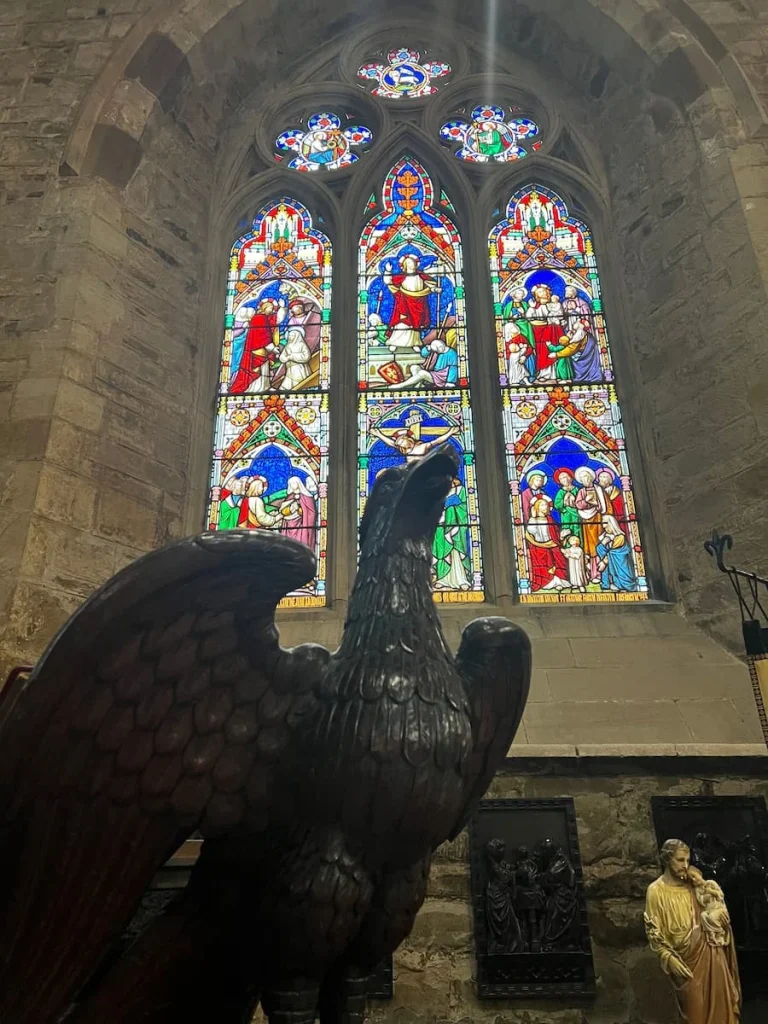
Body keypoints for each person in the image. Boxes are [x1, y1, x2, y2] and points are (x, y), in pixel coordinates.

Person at [645, 839, 741, 1024]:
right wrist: (668, 957)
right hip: (685, 961)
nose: (685, 865)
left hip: (712, 954)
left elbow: (714, 908)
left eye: (687, 860)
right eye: (680, 860)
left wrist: (719, 919)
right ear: (667, 859)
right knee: (694, 1014)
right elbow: (653, 930)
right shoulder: (656, 891)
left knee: (722, 1008)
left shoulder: (693, 886)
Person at [522, 471, 569, 593]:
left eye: (545, 506)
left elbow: (555, 533)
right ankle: (547, 582)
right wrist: (532, 517)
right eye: (538, 479)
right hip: (539, 545)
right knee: (543, 555)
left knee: (557, 555)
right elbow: (531, 530)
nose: (545, 507)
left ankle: (559, 580)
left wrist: (561, 537)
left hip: (551, 544)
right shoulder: (526, 494)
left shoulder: (549, 518)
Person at [383, 254, 440, 351]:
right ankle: (394, 342)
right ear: (404, 265)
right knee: (402, 323)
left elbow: (429, 285)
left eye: (412, 262)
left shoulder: (421, 275)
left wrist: (435, 289)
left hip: (419, 302)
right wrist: (388, 271)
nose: (411, 264)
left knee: (416, 324)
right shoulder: (401, 277)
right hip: (404, 302)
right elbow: (389, 282)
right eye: (408, 262)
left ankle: (415, 343)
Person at [230, 297, 286, 394]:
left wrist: (282, 308)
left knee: (264, 368)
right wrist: (272, 348)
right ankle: (255, 389)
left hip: (261, 349)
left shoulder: (263, 318)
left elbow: (276, 321)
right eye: (270, 308)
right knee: (258, 369)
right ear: (264, 307)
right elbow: (262, 335)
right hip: (257, 348)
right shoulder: (259, 318)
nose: (271, 310)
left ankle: (265, 386)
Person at [433, 476, 471, 591]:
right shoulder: (436, 493)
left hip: (456, 529)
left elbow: (465, 507)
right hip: (441, 526)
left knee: (456, 552)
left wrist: (452, 508)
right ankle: (443, 578)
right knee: (442, 552)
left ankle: (461, 579)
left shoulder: (460, 490)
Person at [485, 838, 522, 954]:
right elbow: (505, 876)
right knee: (503, 922)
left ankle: (512, 945)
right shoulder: (493, 865)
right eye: (501, 850)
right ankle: (503, 944)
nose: (504, 852)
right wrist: (516, 874)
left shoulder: (501, 863)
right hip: (496, 897)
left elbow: (508, 868)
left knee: (512, 924)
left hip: (504, 897)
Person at [525, 284, 567, 382]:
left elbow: (560, 315)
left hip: (554, 330)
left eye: (544, 291)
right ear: (536, 295)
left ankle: (556, 374)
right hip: (539, 331)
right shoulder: (534, 307)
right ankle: (544, 373)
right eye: (539, 291)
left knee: (554, 348)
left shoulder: (554, 304)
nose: (542, 293)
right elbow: (529, 318)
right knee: (543, 351)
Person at [574, 466, 608, 583]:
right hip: (586, 522)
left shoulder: (599, 489)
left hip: (598, 520)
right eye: (582, 478)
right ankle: (593, 574)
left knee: (600, 545)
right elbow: (578, 504)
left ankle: (602, 574)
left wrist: (595, 503)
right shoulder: (581, 491)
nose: (585, 480)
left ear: (591, 477)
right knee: (590, 548)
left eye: (586, 477)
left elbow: (605, 505)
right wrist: (587, 502)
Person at [563, 285, 602, 383]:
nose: (565, 293)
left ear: (572, 293)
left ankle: (591, 377)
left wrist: (578, 315)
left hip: (581, 333)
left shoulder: (583, 304)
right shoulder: (564, 303)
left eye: (567, 291)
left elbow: (587, 319)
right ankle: (571, 376)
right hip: (569, 331)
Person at [370, 423, 459, 464]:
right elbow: (391, 443)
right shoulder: (406, 451)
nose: (399, 444)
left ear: (408, 440)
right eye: (399, 444)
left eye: (401, 442)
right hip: (410, 473)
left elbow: (438, 441)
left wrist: (450, 432)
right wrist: (379, 434)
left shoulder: (422, 447)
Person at [391, 336, 458, 390]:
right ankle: (418, 385)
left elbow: (453, 369)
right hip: (430, 371)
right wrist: (428, 349)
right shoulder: (435, 350)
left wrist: (450, 382)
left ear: (441, 347)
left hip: (440, 377)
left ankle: (401, 385)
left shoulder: (451, 354)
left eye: (437, 350)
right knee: (414, 367)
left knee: (422, 373)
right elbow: (423, 354)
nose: (436, 352)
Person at [596, 515, 637, 592]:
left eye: (607, 527)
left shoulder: (620, 537)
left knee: (624, 578)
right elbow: (601, 550)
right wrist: (603, 543)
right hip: (613, 566)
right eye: (604, 528)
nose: (606, 530)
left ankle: (621, 584)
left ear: (612, 525)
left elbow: (614, 552)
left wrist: (604, 562)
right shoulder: (607, 536)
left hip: (621, 567)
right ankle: (609, 583)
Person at [504, 287, 536, 381]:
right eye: (519, 293)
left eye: (522, 294)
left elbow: (530, 316)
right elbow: (505, 319)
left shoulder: (525, 304)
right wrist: (512, 318)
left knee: (528, 346)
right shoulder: (509, 306)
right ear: (514, 294)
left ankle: (531, 374)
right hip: (513, 328)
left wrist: (524, 313)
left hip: (526, 327)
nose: (521, 295)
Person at [279, 476, 317, 549]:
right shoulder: (289, 497)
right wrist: (290, 509)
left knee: (300, 544)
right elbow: (283, 511)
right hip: (288, 525)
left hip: (302, 525)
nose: (293, 485)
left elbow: (311, 512)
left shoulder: (307, 497)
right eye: (291, 484)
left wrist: (300, 511)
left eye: (294, 483)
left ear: (298, 483)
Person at [278, 326, 312, 391]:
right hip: (289, 369)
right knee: (287, 383)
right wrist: (285, 358)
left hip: (299, 368)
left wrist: (292, 356)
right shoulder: (288, 345)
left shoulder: (302, 345)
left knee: (299, 383)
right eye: (289, 336)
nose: (290, 337)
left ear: (297, 336)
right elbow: (282, 356)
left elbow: (306, 356)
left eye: (292, 336)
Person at [553, 469, 581, 541]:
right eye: (561, 479)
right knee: (567, 528)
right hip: (566, 514)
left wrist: (574, 500)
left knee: (578, 527)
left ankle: (579, 544)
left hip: (577, 513)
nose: (563, 480)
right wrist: (564, 500)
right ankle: (568, 545)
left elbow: (580, 500)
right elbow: (556, 504)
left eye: (564, 477)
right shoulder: (561, 491)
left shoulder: (576, 489)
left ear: (570, 478)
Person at [503, 320, 531, 385]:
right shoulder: (506, 341)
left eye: (516, 333)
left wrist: (525, 356)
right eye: (513, 334)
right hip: (512, 362)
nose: (516, 335)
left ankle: (527, 380)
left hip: (523, 359)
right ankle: (514, 382)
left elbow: (529, 348)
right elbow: (505, 354)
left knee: (523, 370)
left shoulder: (521, 337)